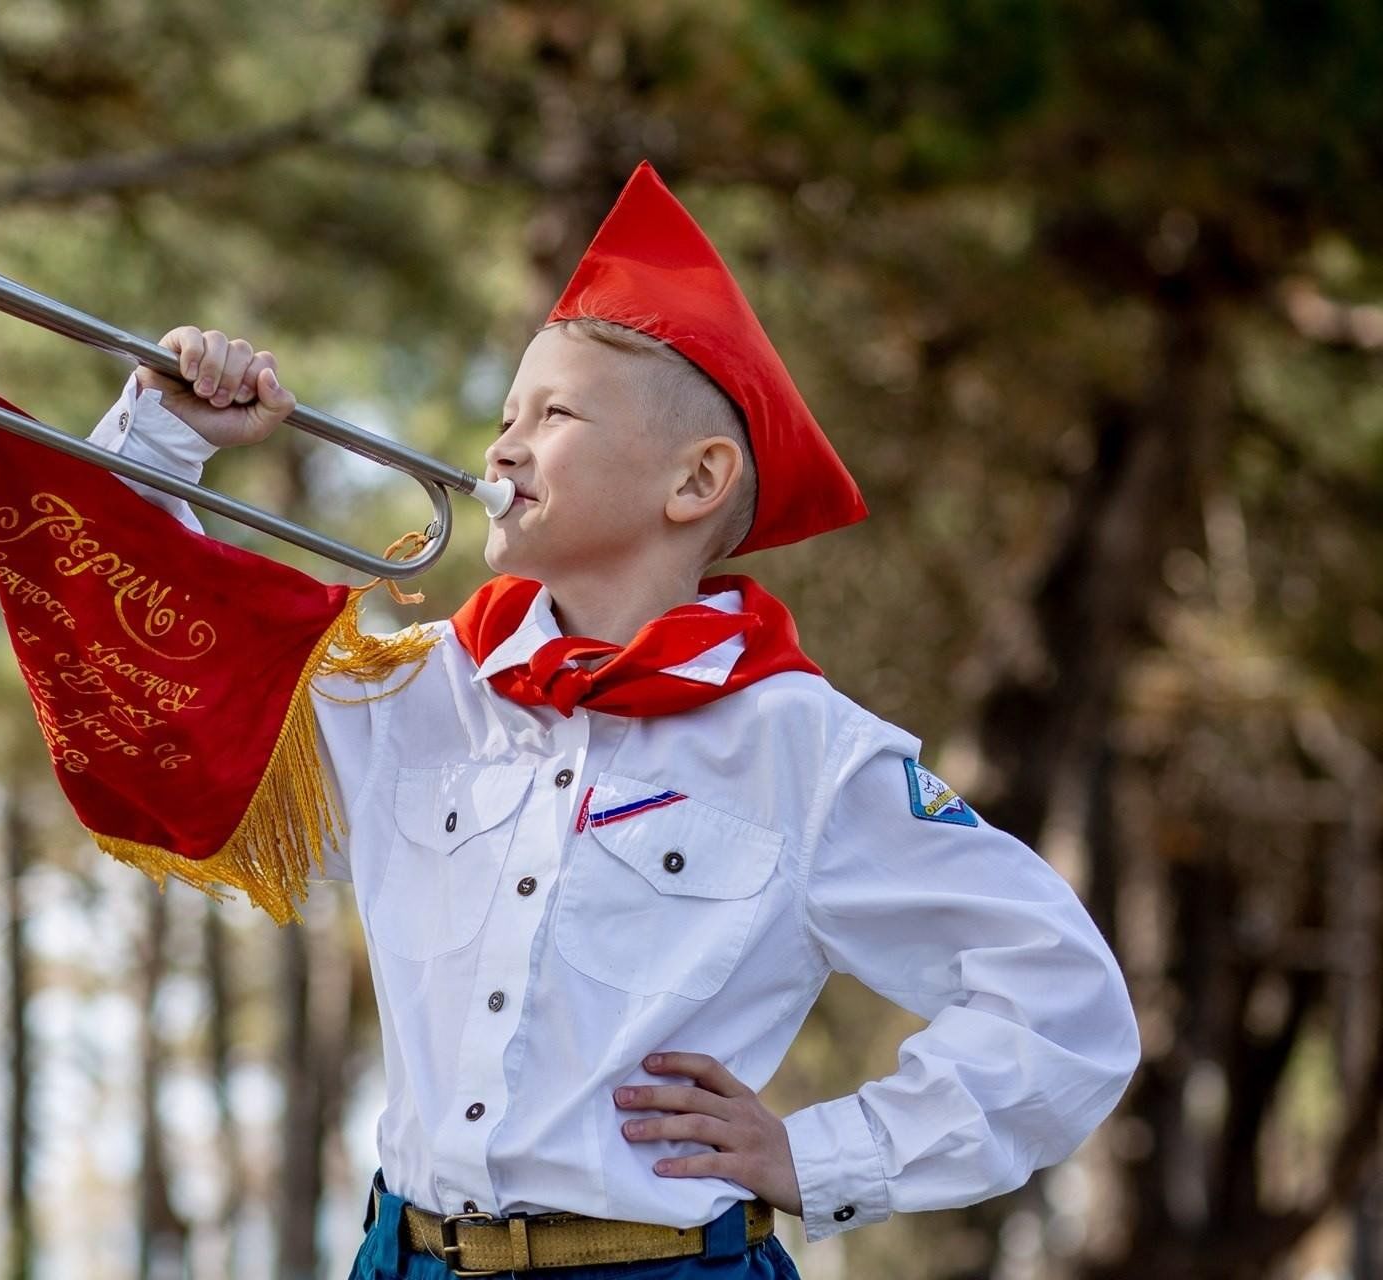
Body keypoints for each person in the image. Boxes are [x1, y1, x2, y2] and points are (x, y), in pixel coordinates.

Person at [83, 162, 1140, 1279]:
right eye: (505, 413)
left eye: (555, 413)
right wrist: (162, 440)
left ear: (695, 480)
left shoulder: (803, 747)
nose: (501, 445)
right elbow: (168, 679)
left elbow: (1063, 1001)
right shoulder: (420, 690)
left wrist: (823, 1154)